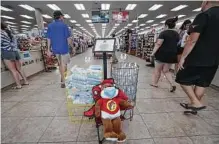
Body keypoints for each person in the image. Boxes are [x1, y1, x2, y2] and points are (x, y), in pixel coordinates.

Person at [176, 1, 219, 111]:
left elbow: (192, 40)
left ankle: (195, 103)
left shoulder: (204, 15)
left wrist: (183, 57)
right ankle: (193, 106)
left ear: (206, 2)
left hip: (198, 57)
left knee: (181, 78)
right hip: (214, 59)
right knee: (202, 83)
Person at [150, 17, 179, 92]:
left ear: (166, 25)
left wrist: (152, 53)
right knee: (166, 70)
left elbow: (158, 44)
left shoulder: (163, 33)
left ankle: (155, 83)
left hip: (161, 54)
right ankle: (172, 84)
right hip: (172, 55)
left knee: (157, 70)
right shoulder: (177, 34)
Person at [47, 10, 74, 88]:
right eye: (62, 16)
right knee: (64, 65)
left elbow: (49, 38)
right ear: (60, 16)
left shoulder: (50, 26)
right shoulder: (64, 25)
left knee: (60, 64)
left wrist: (48, 49)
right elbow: (68, 39)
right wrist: (72, 47)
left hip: (55, 49)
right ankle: (63, 80)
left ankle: (62, 79)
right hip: (64, 48)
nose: (63, 17)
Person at [1, 22, 29, 89]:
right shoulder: (8, 32)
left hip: (7, 52)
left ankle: (18, 85)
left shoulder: (1, 34)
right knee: (20, 68)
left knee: (13, 70)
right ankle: (26, 81)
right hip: (15, 51)